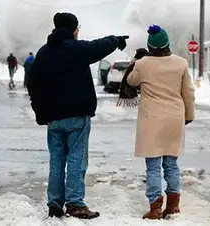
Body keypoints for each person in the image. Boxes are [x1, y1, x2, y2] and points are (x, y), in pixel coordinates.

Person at [27, 12, 129, 219]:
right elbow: (97, 47)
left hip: (53, 119)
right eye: (77, 28)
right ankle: (75, 203)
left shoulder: (44, 53)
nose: (78, 31)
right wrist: (116, 40)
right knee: (76, 159)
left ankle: (54, 204)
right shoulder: (76, 49)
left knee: (56, 160)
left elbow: (34, 85)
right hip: (76, 116)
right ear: (72, 29)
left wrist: (40, 113)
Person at [126, 25, 195, 220]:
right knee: (171, 164)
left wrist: (136, 60)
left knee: (153, 165)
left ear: (150, 46)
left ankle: (155, 207)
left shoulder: (143, 64)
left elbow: (131, 81)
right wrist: (189, 115)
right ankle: (173, 205)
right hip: (174, 118)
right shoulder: (181, 63)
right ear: (167, 44)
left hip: (152, 120)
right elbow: (188, 92)